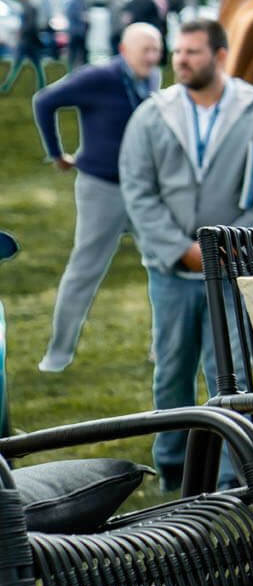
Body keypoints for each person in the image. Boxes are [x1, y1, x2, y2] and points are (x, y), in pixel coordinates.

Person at [120, 20, 253, 491]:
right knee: (171, 372)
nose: (181, 60)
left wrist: (230, 243)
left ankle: (230, 479)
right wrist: (179, 250)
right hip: (171, 270)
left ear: (220, 57)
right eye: (178, 51)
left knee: (234, 378)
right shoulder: (152, 114)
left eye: (193, 52)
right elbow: (137, 189)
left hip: (233, 269)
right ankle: (174, 470)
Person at [30, 23, 164, 371]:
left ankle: (163, 349)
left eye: (156, 49)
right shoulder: (98, 77)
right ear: (123, 50)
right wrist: (57, 153)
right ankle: (57, 355)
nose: (153, 57)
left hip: (144, 189)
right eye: (145, 50)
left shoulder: (151, 77)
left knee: (165, 267)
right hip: (101, 187)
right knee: (85, 269)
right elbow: (45, 100)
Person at [1, 0, 54, 93]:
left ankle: (7, 87)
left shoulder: (29, 6)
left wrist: (21, 34)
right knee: (26, 65)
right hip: (28, 41)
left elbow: (30, 26)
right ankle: (7, 86)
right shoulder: (27, 5)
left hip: (28, 42)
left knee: (30, 65)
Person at [61, 0, 92, 70]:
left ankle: (83, 70)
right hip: (75, 31)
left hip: (82, 31)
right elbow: (70, 13)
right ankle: (71, 71)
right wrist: (81, 16)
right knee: (73, 53)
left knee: (83, 53)